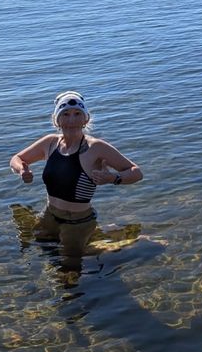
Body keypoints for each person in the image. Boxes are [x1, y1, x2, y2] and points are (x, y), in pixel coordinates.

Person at [9, 91, 143, 259]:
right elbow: (16, 159)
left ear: (85, 119)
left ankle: (119, 243)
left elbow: (136, 172)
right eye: (65, 114)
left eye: (77, 114)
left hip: (78, 221)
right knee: (44, 250)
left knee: (68, 271)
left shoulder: (96, 148)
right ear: (56, 120)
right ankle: (103, 239)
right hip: (49, 214)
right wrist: (22, 169)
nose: (72, 120)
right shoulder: (50, 143)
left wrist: (113, 178)